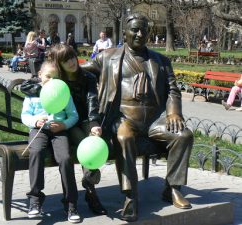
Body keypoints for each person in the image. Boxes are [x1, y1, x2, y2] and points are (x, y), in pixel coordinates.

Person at [81, 13, 193, 222]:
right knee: (124, 138)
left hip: (155, 119)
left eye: (143, 30)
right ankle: (130, 195)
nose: (140, 34)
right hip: (124, 117)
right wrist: (52, 73)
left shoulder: (160, 60)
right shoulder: (107, 57)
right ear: (125, 32)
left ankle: (173, 188)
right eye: (134, 29)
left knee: (183, 135)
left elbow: (173, 91)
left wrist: (174, 112)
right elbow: (78, 71)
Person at [21, 44, 107, 216]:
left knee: (91, 140)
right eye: (65, 60)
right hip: (65, 125)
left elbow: (92, 103)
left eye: (72, 57)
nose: (72, 62)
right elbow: (26, 86)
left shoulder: (87, 77)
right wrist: (44, 87)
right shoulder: (56, 78)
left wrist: (94, 124)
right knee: (81, 143)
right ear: (58, 63)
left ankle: (90, 185)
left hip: (82, 119)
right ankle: (90, 189)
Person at [21, 61, 81, 223]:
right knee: (36, 152)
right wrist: (35, 121)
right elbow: (25, 116)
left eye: (55, 77)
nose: (51, 81)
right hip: (39, 130)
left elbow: (73, 115)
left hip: (59, 131)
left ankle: (70, 203)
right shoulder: (33, 94)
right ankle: (35, 199)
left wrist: (64, 124)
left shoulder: (63, 93)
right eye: (48, 76)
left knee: (65, 158)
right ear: (40, 75)